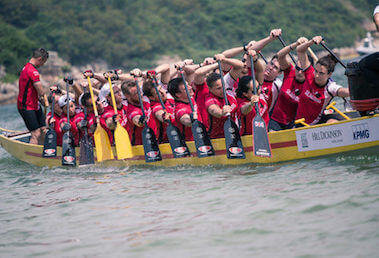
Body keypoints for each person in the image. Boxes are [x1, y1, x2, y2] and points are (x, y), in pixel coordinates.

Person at [295, 37, 350, 125]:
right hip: (300, 124)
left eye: (321, 73)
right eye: (316, 71)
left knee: (332, 122)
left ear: (329, 75)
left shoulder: (330, 87)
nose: (316, 75)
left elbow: (344, 91)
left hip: (316, 125)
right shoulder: (309, 73)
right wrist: (311, 42)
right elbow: (300, 50)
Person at [269, 36, 314, 131]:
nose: (300, 72)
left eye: (303, 70)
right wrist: (296, 44)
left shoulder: (311, 82)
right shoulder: (290, 71)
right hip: (275, 120)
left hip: (295, 123)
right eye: (298, 68)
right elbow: (280, 55)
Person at [17, 48, 49, 144]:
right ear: (40, 59)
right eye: (43, 62)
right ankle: (33, 156)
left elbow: (34, 90)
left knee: (43, 129)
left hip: (35, 105)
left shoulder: (26, 67)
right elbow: (41, 91)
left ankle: (43, 151)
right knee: (36, 133)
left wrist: (41, 101)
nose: (42, 65)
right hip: (26, 107)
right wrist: (45, 99)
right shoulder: (32, 71)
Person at [168, 77, 202, 141]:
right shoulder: (180, 109)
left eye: (188, 85)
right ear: (178, 94)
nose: (190, 88)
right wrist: (191, 119)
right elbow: (184, 119)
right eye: (186, 88)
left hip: (202, 137)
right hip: (191, 144)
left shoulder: (191, 98)